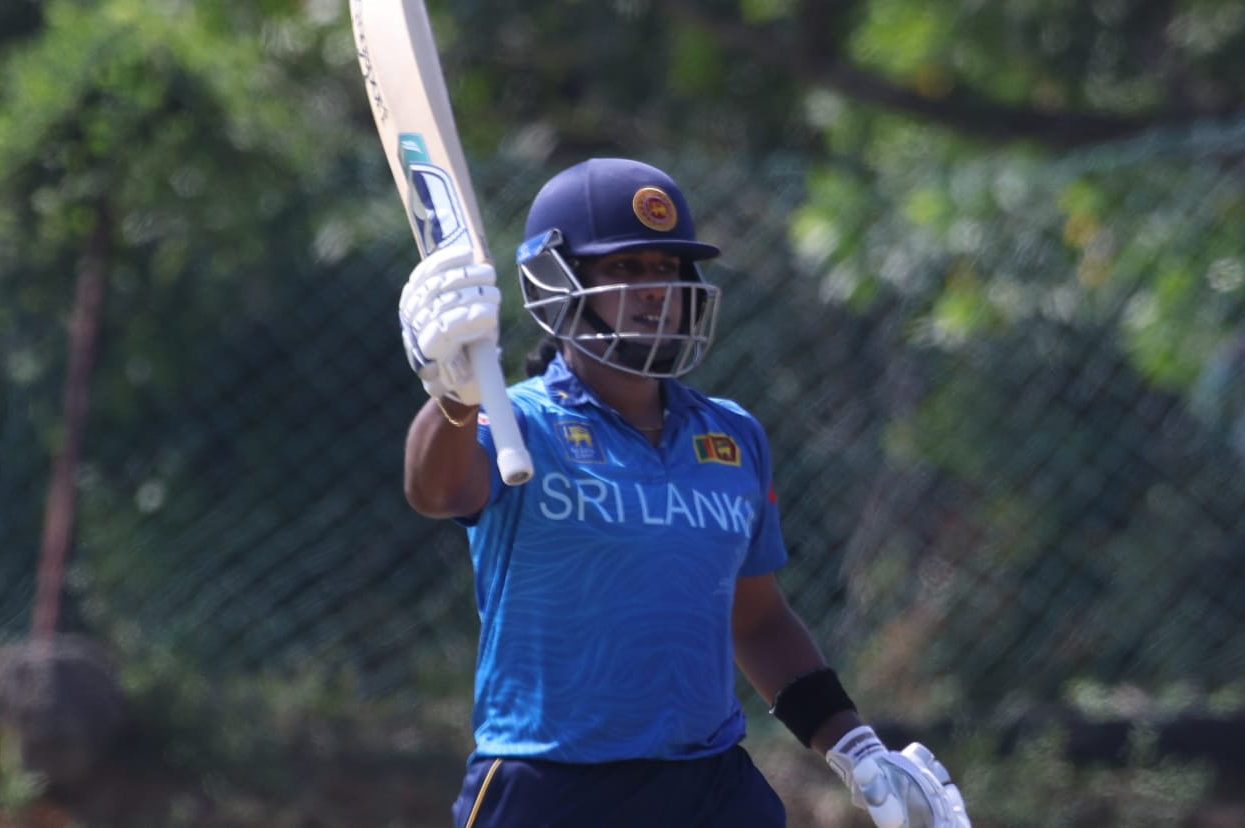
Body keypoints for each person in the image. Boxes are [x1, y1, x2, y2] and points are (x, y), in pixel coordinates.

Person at [396, 157, 972, 828]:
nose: (655, 292)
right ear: (558, 283)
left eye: (668, 269)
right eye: (626, 270)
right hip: (549, 784)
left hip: (708, 786)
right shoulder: (515, 421)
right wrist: (454, 394)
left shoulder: (732, 436)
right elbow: (436, 491)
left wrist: (856, 749)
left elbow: (756, 619)